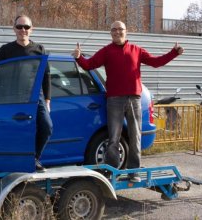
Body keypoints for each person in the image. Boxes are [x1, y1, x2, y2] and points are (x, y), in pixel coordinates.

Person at [72, 20, 184, 182]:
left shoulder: (136, 50)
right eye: (114, 30)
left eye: (120, 29)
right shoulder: (106, 51)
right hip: (114, 100)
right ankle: (111, 171)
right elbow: (89, 65)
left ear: (126, 32)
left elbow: (156, 62)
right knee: (114, 138)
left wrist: (174, 53)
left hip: (134, 100)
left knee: (135, 136)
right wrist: (79, 57)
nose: (117, 32)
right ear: (110, 33)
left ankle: (134, 172)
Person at [0, 15, 53, 172]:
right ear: (14, 29)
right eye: (20, 27)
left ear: (31, 29)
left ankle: (35, 158)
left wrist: (47, 99)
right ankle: (11, 162)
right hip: (12, 98)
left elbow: (46, 76)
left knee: (47, 126)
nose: (23, 30)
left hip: (35, 97)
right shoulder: (6, 50)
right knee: (14, 132)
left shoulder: (39, 49)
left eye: (26, 27)